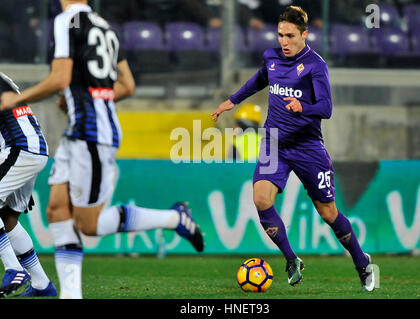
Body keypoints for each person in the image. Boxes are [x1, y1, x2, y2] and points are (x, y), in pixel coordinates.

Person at [0, 0, 204, 299]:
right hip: (81, 129)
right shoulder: (104, 27)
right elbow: (128, 85)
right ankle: (66, 293)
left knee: (90, 224)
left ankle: (174, 218)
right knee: (57, 210)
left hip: (92, 132)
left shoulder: (66, 21)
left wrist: (14, 100)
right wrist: (88, 100)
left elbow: (59, 78)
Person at [212, 6, 377, 291]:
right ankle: (291, 259)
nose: (284, 42)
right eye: (280, 35)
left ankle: (362, 263)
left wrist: (304, 107)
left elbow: (326, 108)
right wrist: (234, 99)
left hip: (308, 147)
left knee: (328, 213)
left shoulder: (315, 65)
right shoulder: (272, 57)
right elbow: (261, 78)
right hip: (274, 143)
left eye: (290, 35)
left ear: (304, 34)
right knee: (262, 200)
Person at [0, 72, 57, 298]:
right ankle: (43, 285)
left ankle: (14, 269)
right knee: (8, 218)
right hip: (32, 148)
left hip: (19, 148)